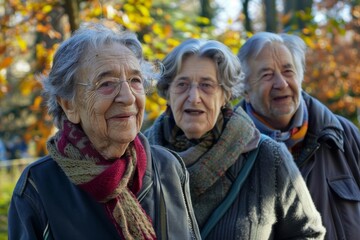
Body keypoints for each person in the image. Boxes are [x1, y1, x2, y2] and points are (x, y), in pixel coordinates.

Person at [8, 22, 200, 240]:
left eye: (135, 81)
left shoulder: (168, 167)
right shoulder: (38, 187)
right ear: (69, 105)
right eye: (106, 83)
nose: (128, 97)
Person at [144, 38, 325, 239]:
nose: (194, 97)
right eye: (182, 85)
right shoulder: (139, 158)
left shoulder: (268, 157)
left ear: (225, 95)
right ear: (168, 92)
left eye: (206, 85)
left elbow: (309, 233)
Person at [236, 32, 360, 240]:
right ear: (244, 90)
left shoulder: (345, 137)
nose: (281, 84)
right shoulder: (228, 147)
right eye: (266, 75)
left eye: (288, 71)